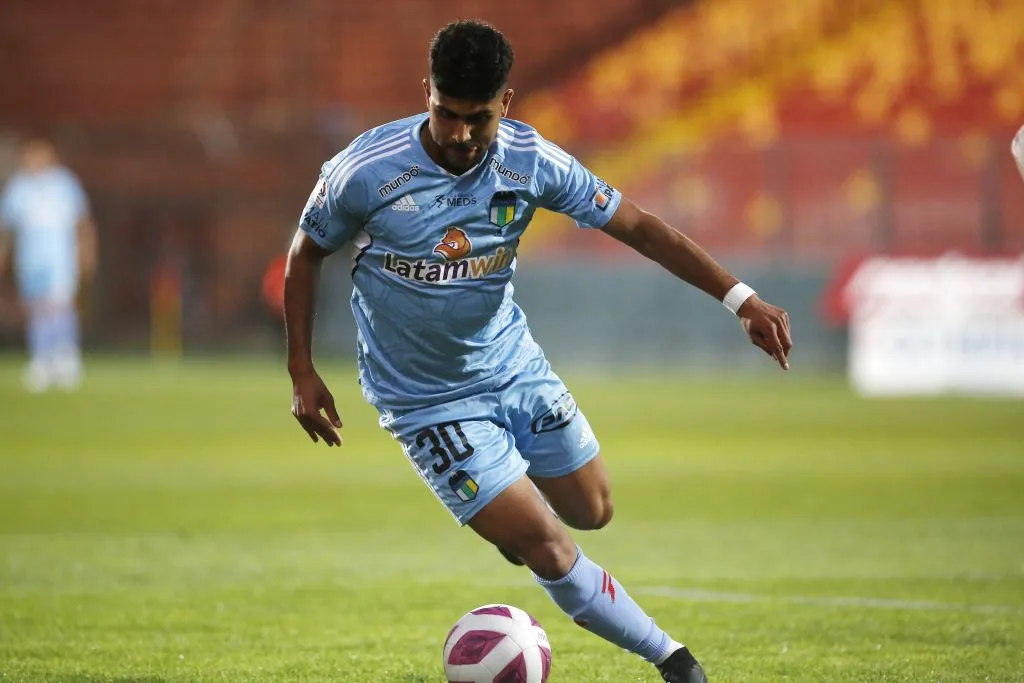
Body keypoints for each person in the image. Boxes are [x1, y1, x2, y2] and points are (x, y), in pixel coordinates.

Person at [285, 20, 792, 683]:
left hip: (513, 364)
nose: (460, 135)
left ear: (507, 103)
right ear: (426, 93)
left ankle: (512, 521)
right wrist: (301, 366)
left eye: (477, 118)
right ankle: (674, 659)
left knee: (593, 510)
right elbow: (306, 252)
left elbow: (637, 225)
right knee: (550, 545)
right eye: (445, 113)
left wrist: (740, 299)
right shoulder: (367, 170)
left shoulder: (530, 161)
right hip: (424, 399)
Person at [0, 137, 97, 392]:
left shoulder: (64, 185)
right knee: (36, 308)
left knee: (60, 306)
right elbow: (6, 228)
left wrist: (86, 251)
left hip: (59, 258)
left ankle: (66, 357)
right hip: (30, 259)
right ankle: (41, 359)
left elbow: (82, 221)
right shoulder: (19, 188)